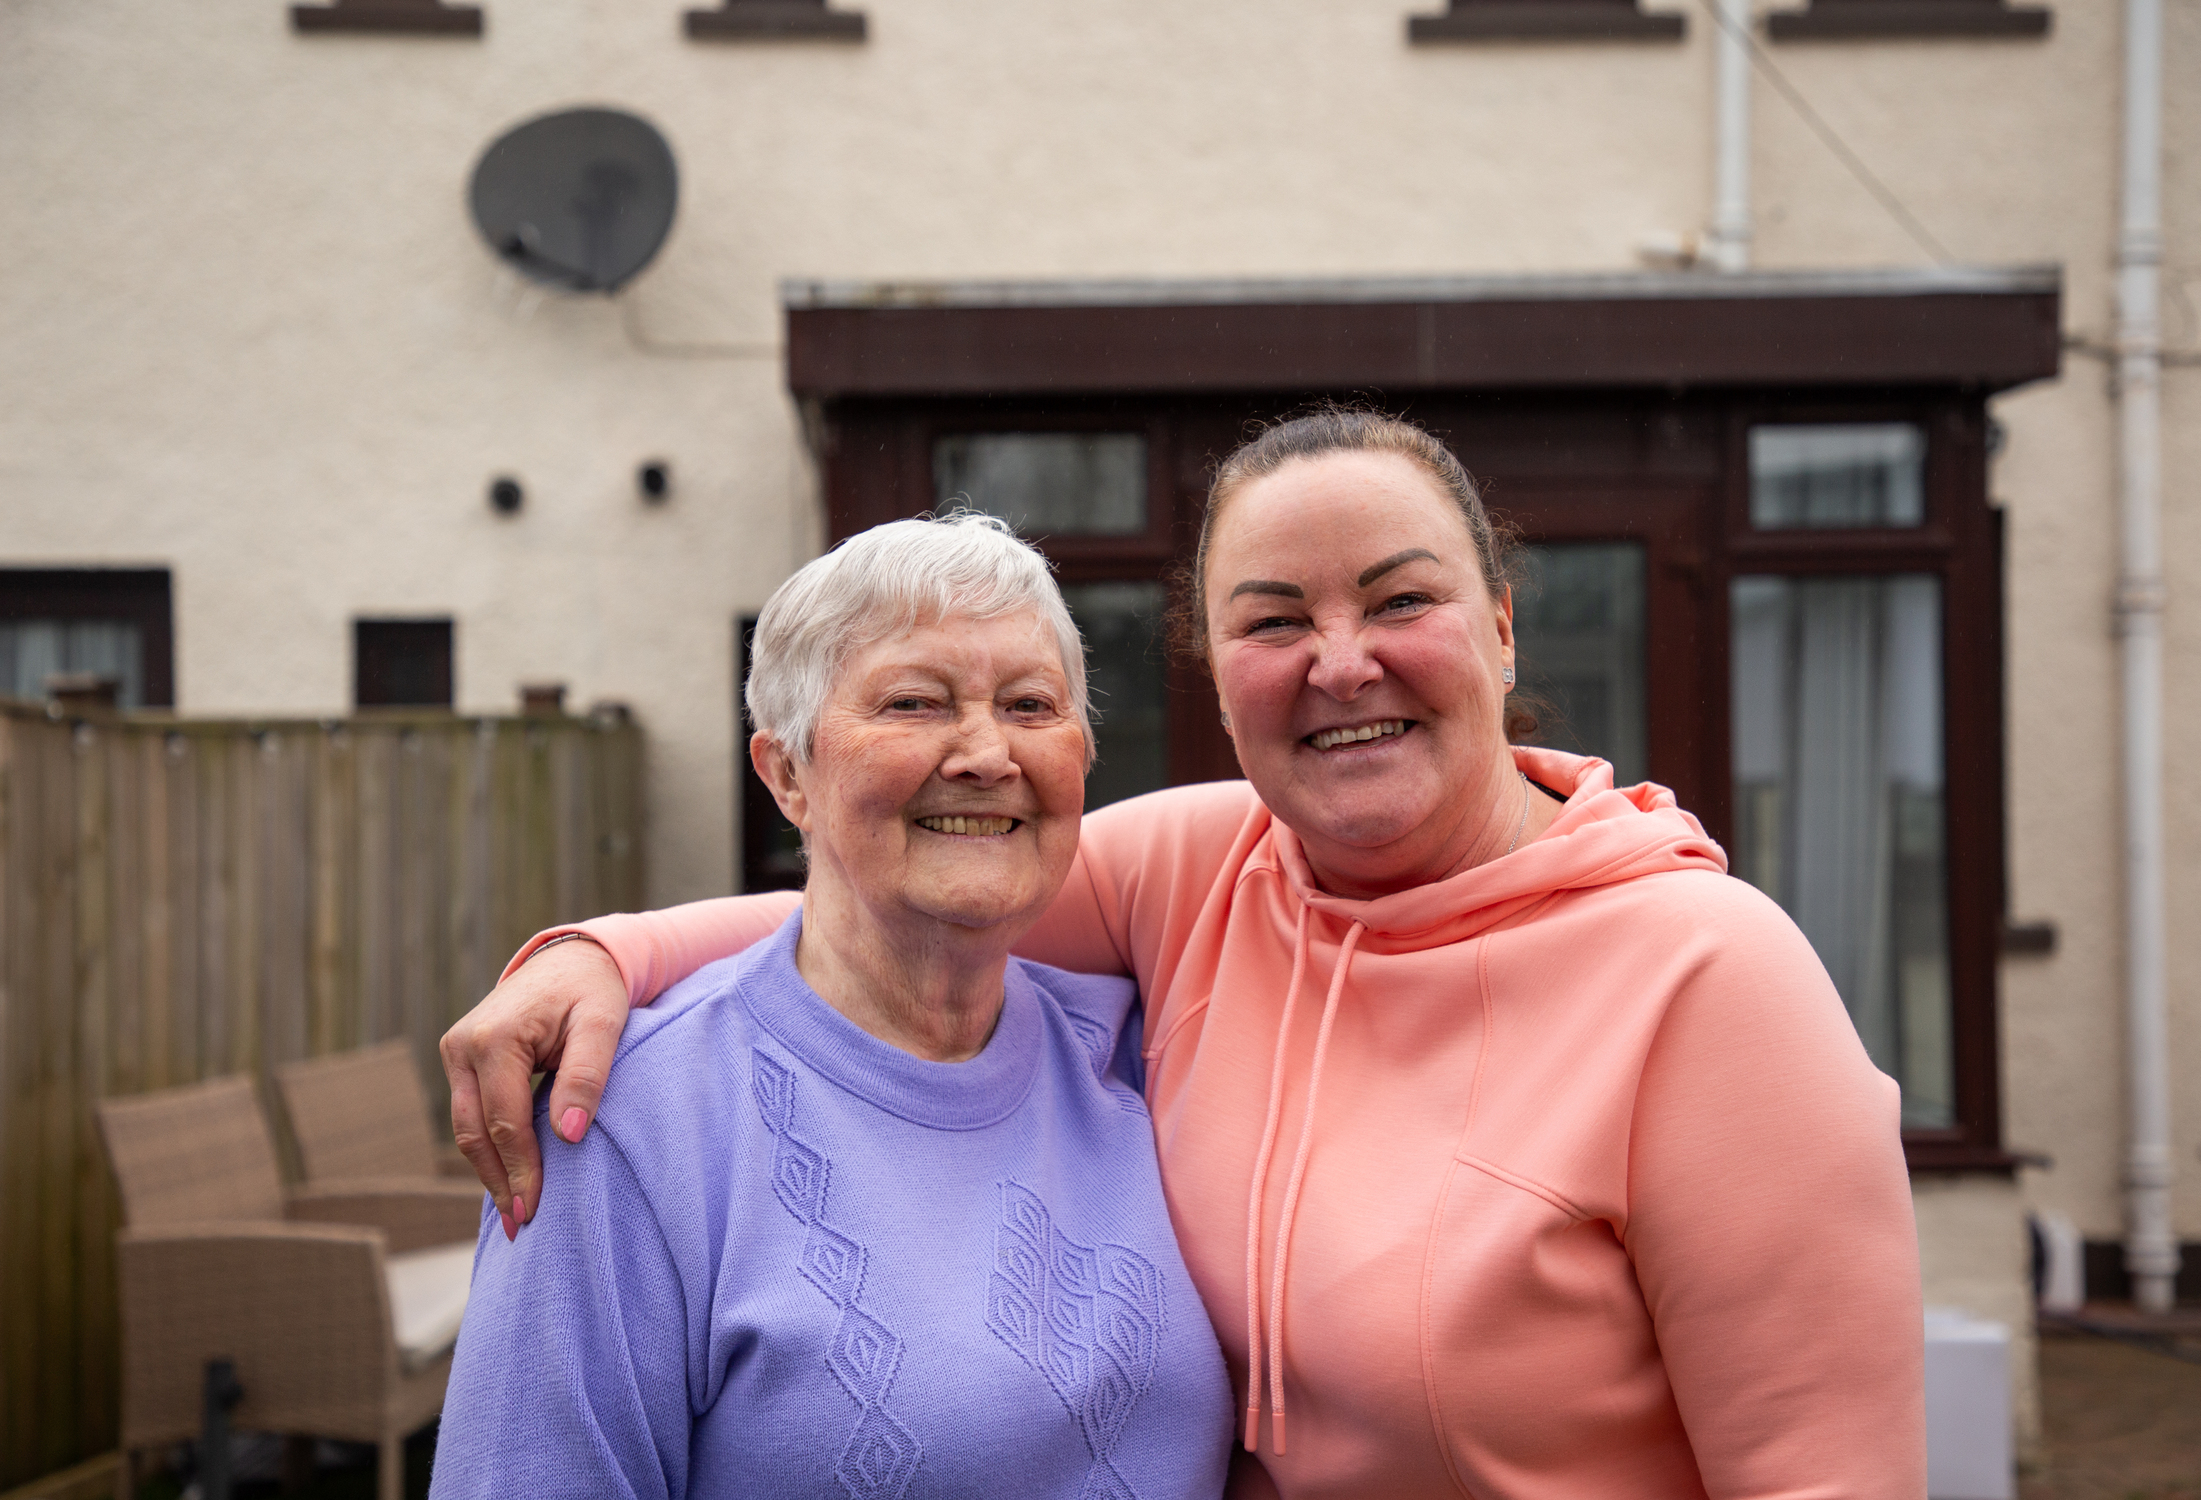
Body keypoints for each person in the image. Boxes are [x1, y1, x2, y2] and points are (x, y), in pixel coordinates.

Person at [444, 410, 1927, 1498]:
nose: (1339, 661)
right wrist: (602, 955)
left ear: (1499, 627)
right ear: (1216, 675)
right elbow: (894, 899)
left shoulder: (1705, 979)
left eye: (1399, 600)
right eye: (1272, 620)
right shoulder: (1213, 870)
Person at [429, 514, 1233, 1499]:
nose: (987, 753)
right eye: (913, 703)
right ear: (787, 774)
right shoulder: (626, 1123)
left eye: (1030, 705)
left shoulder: (1146, 1052)